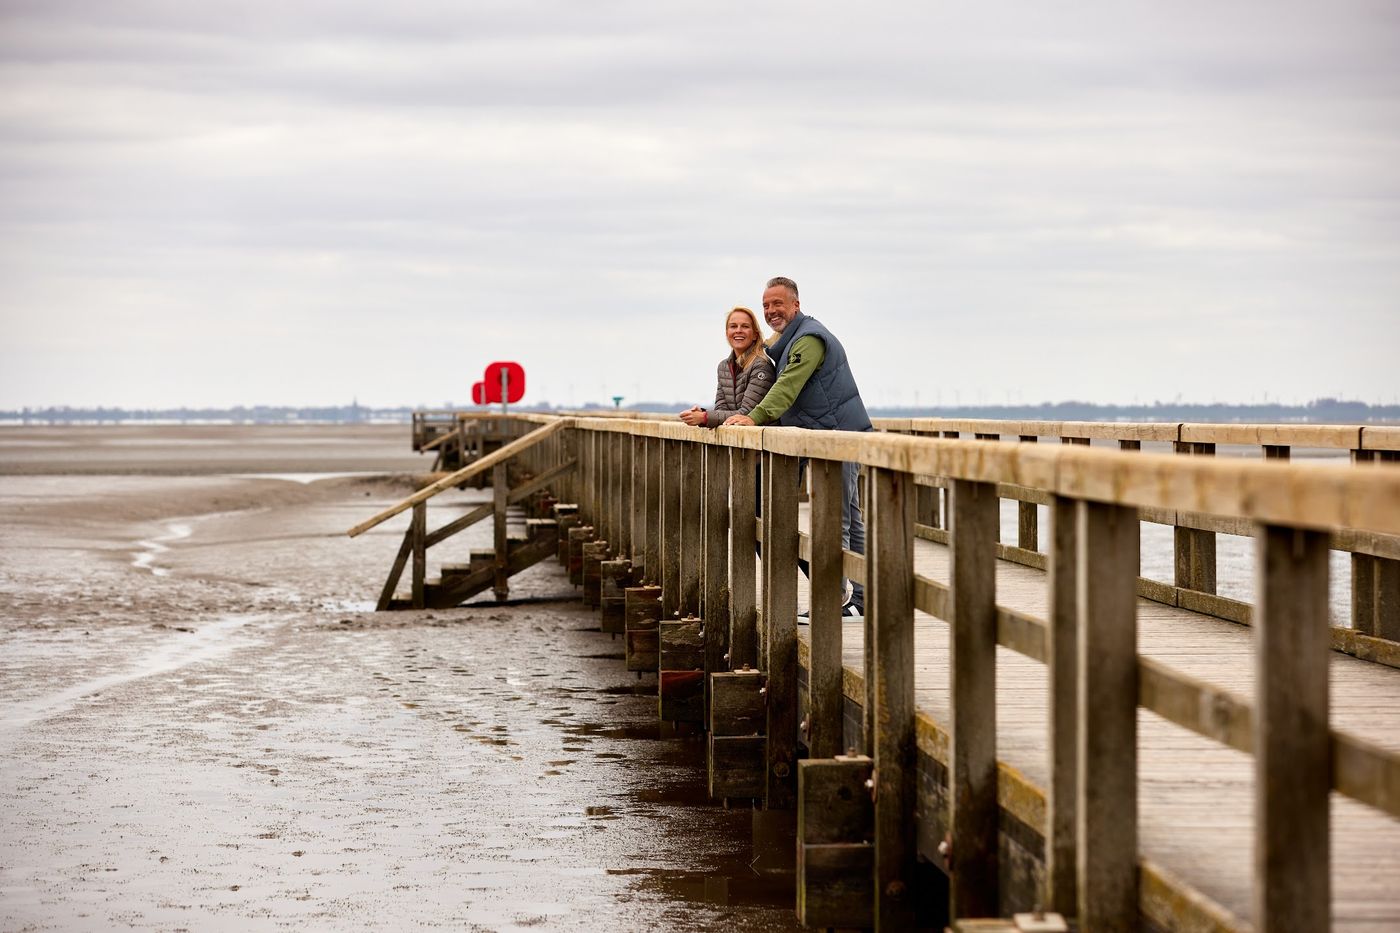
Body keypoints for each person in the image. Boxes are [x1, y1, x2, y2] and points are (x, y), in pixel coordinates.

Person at [722, 276, 872, 616]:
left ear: (796, 305)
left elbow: (788, 386)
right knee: (850, 517)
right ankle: (863, 599)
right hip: (829, 436)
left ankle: (831, 602)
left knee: (838, 518)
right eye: (766, 306)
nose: (771, 311)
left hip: (840, 437)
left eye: (778, 303)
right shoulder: (788, 342)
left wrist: (754, 418)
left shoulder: (809, 340)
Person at [678, 306, 775, 427]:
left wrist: (704, 417)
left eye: (745, 326)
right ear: (727, 333)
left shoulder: (761, 366)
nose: (738, 330)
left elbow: (747, 414)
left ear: (755, 335)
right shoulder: (723, 367)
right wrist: (702, 414)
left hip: (760, 442)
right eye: (733, 326)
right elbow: (720, 409)